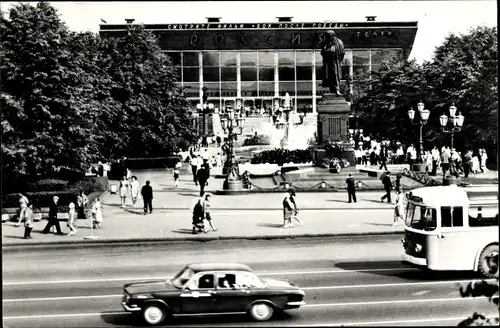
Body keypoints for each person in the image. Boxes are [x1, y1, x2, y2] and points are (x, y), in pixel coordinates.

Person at [320, 30, 345, 95]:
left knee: (335, 74)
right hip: (327, 63)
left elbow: (342, 53)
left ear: (331, 36)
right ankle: (332, 89)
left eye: (327, 36)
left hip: (335, 61)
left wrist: (339, 61)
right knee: (329, 76)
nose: (326, 37)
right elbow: (322, 52)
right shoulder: (326, 43)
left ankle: (337, 89)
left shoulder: (339, 42)